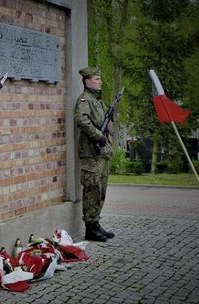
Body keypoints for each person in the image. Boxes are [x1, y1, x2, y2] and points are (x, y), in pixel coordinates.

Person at [74, 66, 115, 242]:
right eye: (96, 79)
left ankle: (96, 223)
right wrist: (98, 136)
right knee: (92, 189)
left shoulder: (98, 101)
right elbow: (81, 120)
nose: (100, 81)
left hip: (102, 153)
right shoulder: (84, 100)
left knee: (101, 190)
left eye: (100, 79)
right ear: (87, 81)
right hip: (91, 153)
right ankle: (90, 228)